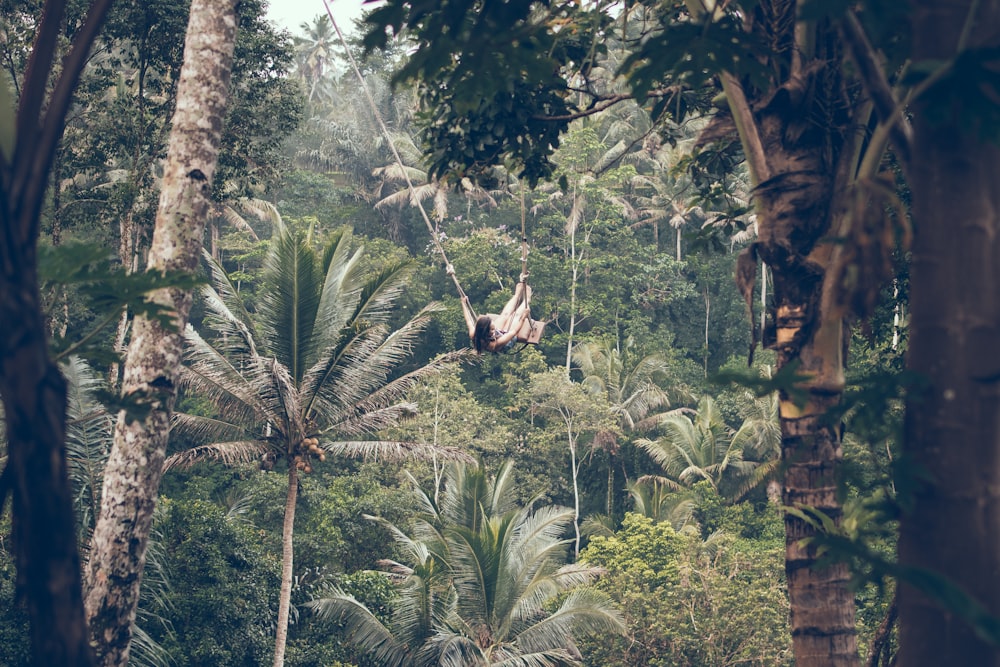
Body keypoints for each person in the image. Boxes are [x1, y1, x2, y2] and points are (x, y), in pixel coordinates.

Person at [457, 271, 532, 354]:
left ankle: (517, 295)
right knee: (515, 316)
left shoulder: (474, 333)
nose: (494, 330)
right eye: (492, 329)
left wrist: (463, 303)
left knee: (504, 315)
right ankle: (527, 299)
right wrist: (523, 317)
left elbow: (468, 320)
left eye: (493, 327)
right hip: (506, 342)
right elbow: (514, 332)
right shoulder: (492, 345)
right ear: (486, 331)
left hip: (496, 335)